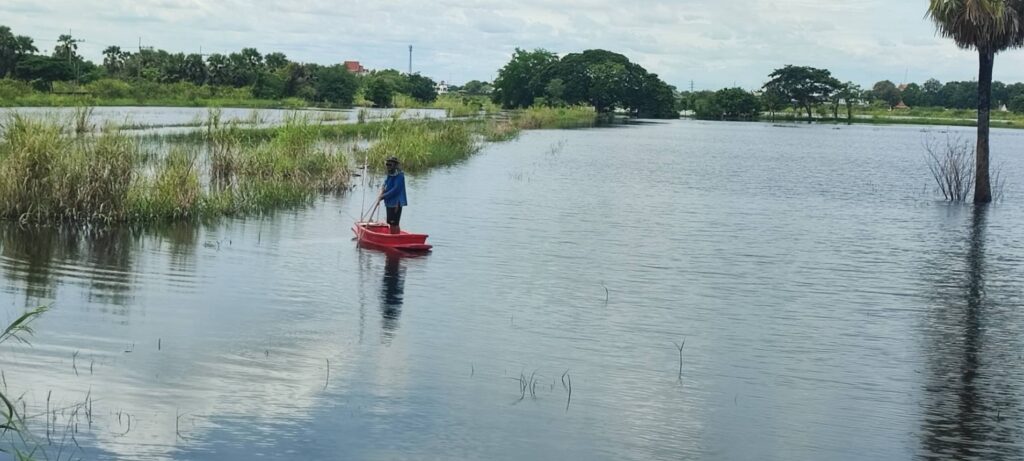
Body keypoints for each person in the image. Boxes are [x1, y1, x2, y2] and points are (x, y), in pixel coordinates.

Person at [378, 156, 407, 234]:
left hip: (396, 202)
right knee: (390, 222)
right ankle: (392, 236)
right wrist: (381, 191)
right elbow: (385, 184)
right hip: (389, 202)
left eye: (390, 165)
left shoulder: (400, 175)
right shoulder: (390, 174)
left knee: (394, 223)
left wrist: (384, 196)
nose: (388, 166)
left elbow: (396, 189)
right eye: (387, 164)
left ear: (395, 165)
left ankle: (395, 238)